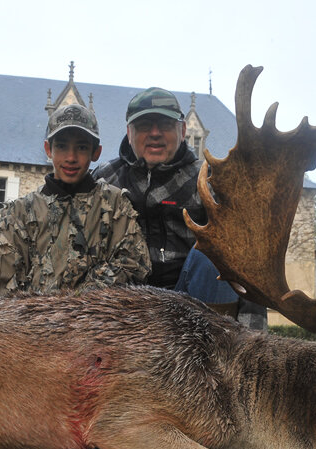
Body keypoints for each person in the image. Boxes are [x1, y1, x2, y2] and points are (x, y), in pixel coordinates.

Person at [93, 88, 266, 329]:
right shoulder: (104, 180)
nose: (155, 133)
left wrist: (253, 336)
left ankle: (219, 346)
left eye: (165, 124)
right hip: (126, 310)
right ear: (129, 133)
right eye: (144, 125)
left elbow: (245, 262)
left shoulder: (210, 181)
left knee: (213, 253)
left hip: (196, 308)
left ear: (183, 130)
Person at [0, 104, 150, 306]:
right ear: (48, 149)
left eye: (81, 147)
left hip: (95, 325)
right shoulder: (19, 214)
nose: (71, 158)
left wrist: (74, 304)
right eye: (61, 146)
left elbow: (133, 265)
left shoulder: (116, 206)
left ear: (96, 152)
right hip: (29, 329)